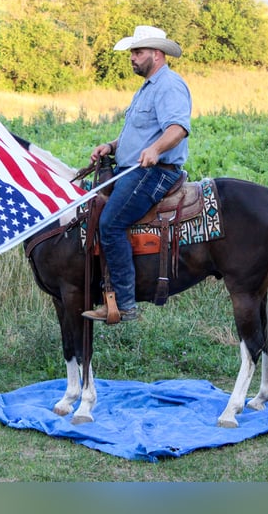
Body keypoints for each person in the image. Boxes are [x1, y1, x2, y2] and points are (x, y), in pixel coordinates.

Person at [81, 25, 192, 324]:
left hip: (154, 172)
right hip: (133, 167)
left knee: (111, 224)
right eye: (132, 52)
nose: (132, 58)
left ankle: (125, 303)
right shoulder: (147, 87)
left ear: (156, 54)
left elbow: (177, 128)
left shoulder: (169, 85)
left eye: (137, 52)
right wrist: (111, 146)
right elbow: (141, 133)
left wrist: (155, 150)